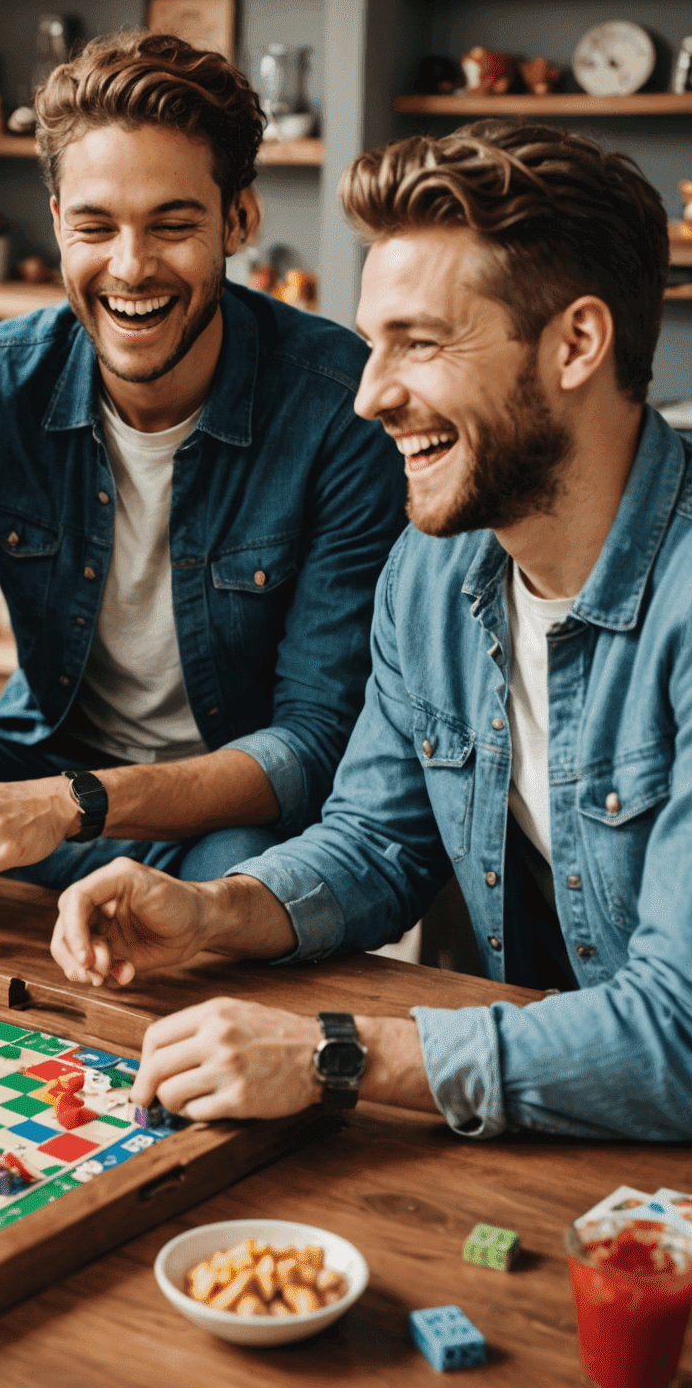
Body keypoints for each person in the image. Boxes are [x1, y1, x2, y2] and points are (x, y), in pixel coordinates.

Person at [52, 119, 688, 1141]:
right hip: (542, 1123)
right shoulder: (434, 568)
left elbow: (678, 1035)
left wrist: (332, 1055)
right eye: (373, 339)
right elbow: (378, 840)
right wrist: (216, 913)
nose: (369, 394)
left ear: (577, 343)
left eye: (421, 343)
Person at [0, 31, 405, 894]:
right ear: (56, 221)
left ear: (238, 218)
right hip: (47, 761)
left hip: (228, 809)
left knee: (238, 884)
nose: (130, 268)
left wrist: (74, 804)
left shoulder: (335, 405)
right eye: (95, 225)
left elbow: (314, 743)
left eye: (173, 225)